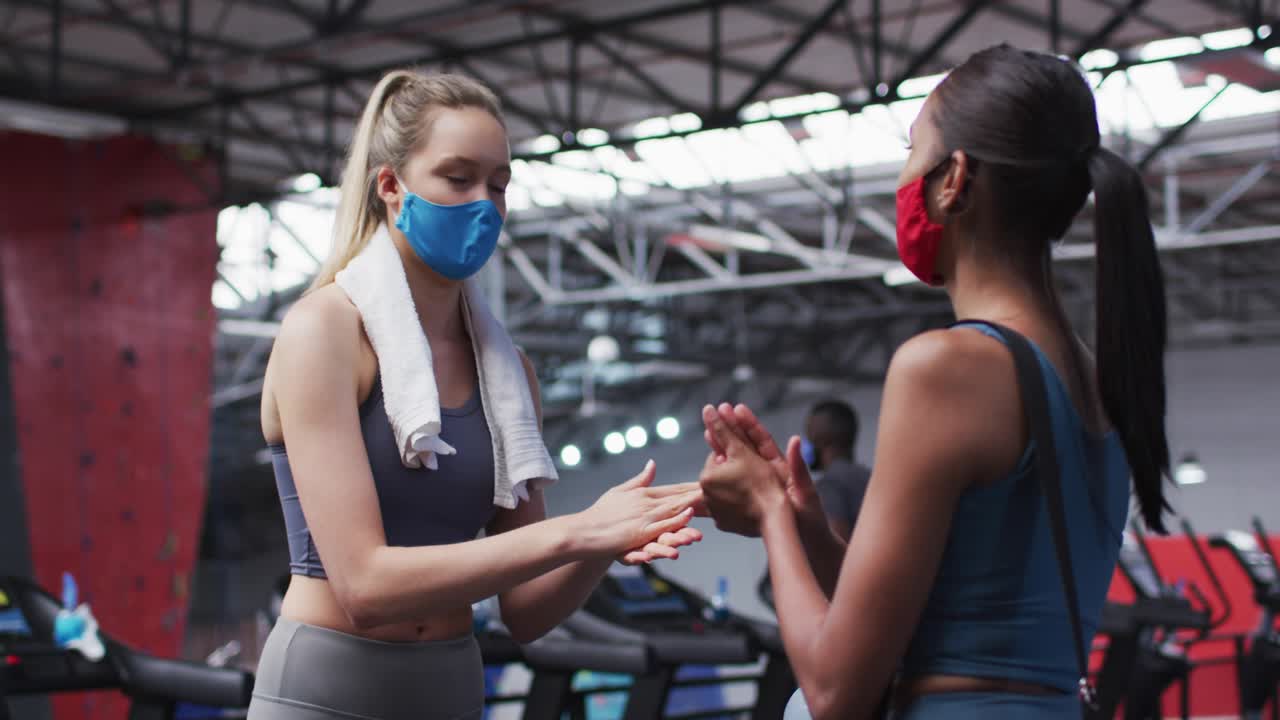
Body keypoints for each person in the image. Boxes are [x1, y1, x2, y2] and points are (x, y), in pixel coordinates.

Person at [698, 44, 1170, 719]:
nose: (903, 177)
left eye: (912, 150)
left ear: (955, 179)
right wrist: (805, 527)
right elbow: (935, 622)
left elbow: (835, 692)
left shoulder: (948, 367)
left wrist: (768, 514)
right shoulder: (1094, 374)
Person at [250, 70, 702, 720]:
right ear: (390, 186)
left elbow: (525, 612)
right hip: (328, 688)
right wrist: (578, 532)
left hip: (452, 687)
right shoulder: (324, 332)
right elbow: (365, 586)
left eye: (499, 184)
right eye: (458, 178)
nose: (484, 203)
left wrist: (610, 535)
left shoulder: (508, 374)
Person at [803, 400, 871, 541]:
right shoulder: (870, 479)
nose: (805, 445)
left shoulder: (830, 484)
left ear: (820, 438)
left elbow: (834, 549)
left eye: (808, 436)